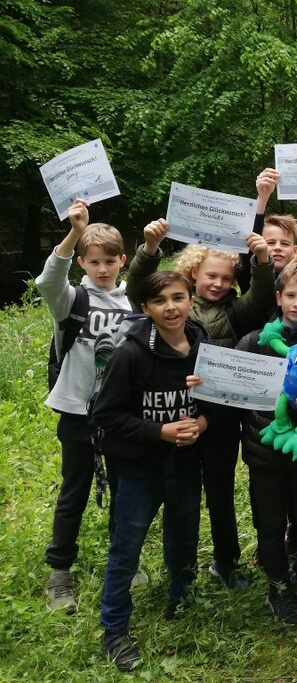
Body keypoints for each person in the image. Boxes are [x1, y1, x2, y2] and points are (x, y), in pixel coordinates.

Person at [128, 218, 276, 590]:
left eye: (226, 279)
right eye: (212, 276)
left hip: (221, 418)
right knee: (179, 496)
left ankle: (226, 562)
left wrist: (260, 260)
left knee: (222, 492)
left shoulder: (235, 311)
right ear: (193, 273)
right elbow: (137, 289)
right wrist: (148, 251)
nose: (219, 284)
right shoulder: (175, 304)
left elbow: (260, 298)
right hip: (173, 416)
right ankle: (181, 569)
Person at [94, 271, 208, 672]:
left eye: (178, 298)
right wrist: (159, 430)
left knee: (184, 534)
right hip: (139, 468)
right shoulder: (131, 353)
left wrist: (202, 424)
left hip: (185, 464)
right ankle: (114, 628)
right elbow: (105, 414)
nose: (171, 307)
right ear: (145, 308)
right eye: (160, 301)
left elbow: (212, 400)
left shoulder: (201, 343)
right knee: (126, 547)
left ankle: (182, 594)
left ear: (191, 299)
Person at [37, 199, 136, 614]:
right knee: (74, 489)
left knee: (124, 487)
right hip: (77, 409)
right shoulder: (71, 299)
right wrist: (76, 230)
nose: (102, 269)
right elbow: (46, 280)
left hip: (120, 414)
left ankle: (124, 563)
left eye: (109, 261)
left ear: (122, 261)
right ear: (82, 262)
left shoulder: (133, 303)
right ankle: (60, 574)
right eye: (94, 261)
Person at [233, 263, 297, 626]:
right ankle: (278, 587)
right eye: (290, 295)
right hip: (266, 454)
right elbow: (236, 391)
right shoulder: (254, 341)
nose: (296, 303)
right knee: (271, 526)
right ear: (278, 298)